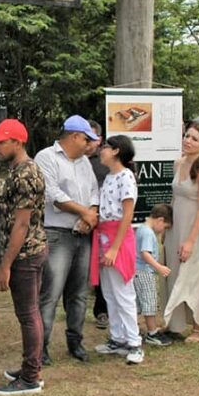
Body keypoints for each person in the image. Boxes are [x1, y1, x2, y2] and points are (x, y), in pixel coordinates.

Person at [0, 119, 47, 396]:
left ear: (18, 142)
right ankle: (30, 368)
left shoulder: (24, 175)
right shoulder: (20, 169)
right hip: (30, 250)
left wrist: (6, 265)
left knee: (28, 314)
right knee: (30, 313)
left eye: (2, 141)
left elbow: (21, 224)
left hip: (25, 253)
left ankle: (30, 377)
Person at [35, 115, 100, 365]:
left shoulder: (84, 162)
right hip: (57, 233)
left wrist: (91, 213)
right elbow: (52, 194)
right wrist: (85, 212)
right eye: (86, 139)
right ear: (73, 136)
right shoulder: (46, 157)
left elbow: (94, 190)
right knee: (50, 293)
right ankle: (41, 347)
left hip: (82, 233)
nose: (89, 145)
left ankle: (76, 341)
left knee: (79, 293)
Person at [91, 135, 144, 364]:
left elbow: (127, 214)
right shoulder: (108, 178)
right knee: (110, 292)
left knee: (123, 292)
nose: (101, 150)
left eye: (105, 147)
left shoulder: (126, 177)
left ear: (116, 151)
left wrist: (115, 248)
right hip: (104, 236)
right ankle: (118, 337)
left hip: (117, 239)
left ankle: (135, 342)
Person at [163, 122, 199, 343]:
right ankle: (174, 323)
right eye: (187, 136)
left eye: (194, 138)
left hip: (197, 227)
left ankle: (198, 327)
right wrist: (168, 228)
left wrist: (191, 241)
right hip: (177, 224)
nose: (188, 141)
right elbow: (175, 198)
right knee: (174, 272)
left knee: (196, 275)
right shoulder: (178, 163)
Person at [135, 204, 173, 346]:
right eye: (165, 227)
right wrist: (158, 267)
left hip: (138, 272)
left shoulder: (141, 229)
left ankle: (134, 329)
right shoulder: (147, 233)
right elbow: (145, 253)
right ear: (160, 220)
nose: (162, 231)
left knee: (137, 302)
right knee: (149, 302)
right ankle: (152, 332)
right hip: (144, 272)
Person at [86, 119, 110, 330]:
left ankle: (102, 309)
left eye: (90, 137)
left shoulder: (104, 162)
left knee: (103, 269)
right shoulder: (73, 160)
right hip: (77, 222)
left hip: (101, 224)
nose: (86, 142)